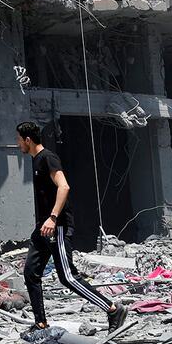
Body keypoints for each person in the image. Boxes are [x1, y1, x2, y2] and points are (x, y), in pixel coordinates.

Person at [16, 121, 127, 332]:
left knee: (67, 277)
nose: (17, 143)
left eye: (18, 139)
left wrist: (53, 217)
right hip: (43, 229)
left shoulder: (47, 158)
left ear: (27, 140)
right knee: (31, 272)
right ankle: (40, 323)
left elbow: (64, 186)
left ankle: (113, 309)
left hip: (55, 227)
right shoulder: (37, 161)